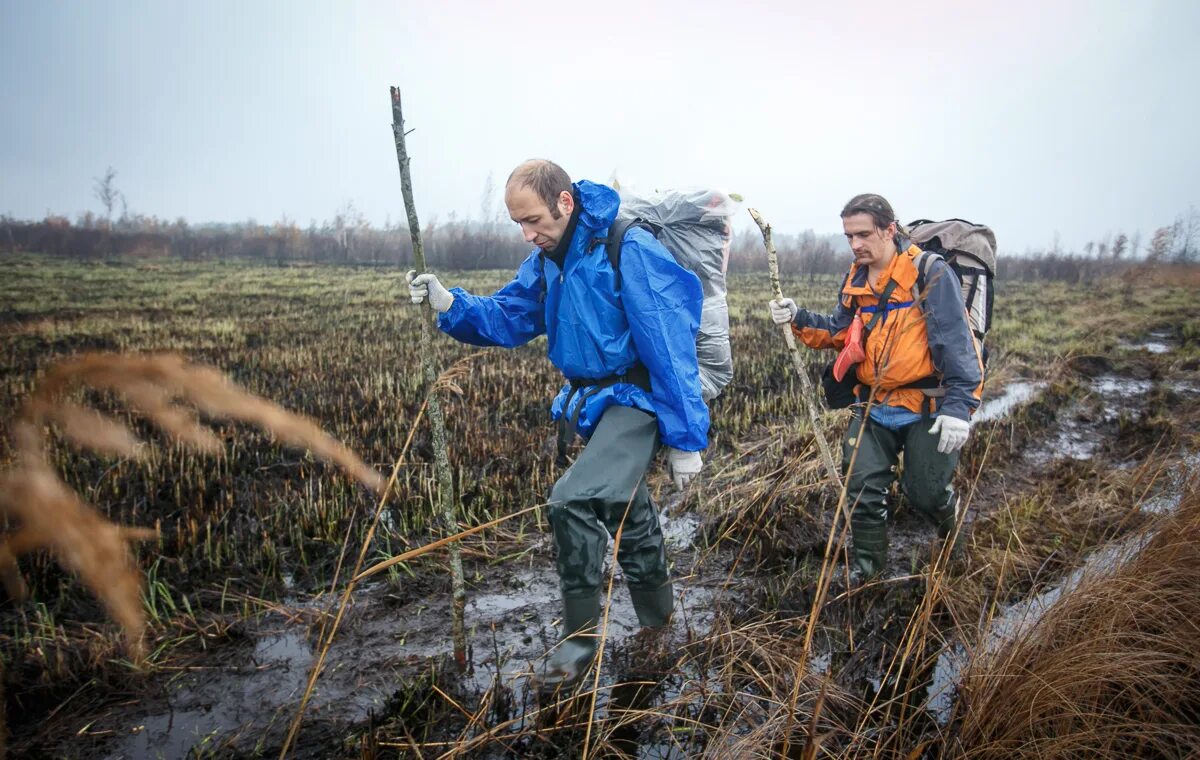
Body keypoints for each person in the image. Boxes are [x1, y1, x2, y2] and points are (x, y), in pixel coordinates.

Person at [407, 159, 709, 688]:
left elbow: (669, 343)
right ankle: (661, 626)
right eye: (519, 224)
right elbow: (508, 315)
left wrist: (685, 438)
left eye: (535, 220)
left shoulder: (627, 248)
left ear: (565, 202)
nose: (528, 234)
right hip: (592, 406)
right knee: (628, 513)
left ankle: (576, 647)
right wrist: (450, 302)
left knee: (573, 499)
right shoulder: (547, 261)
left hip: (635, 401)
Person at [768, 194, 983, 579]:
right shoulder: (855, 277)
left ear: (889, 229)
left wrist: (958, 408)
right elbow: (838, 333)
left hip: (926, 406)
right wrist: (796, 317)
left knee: (926, 493)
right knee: (863, 491)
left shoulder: (928, 272)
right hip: (872, 405)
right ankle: (868, 576)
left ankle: (954, 545)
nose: (855, 244)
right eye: (849, 236)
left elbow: (958, 345)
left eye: (863, 234)